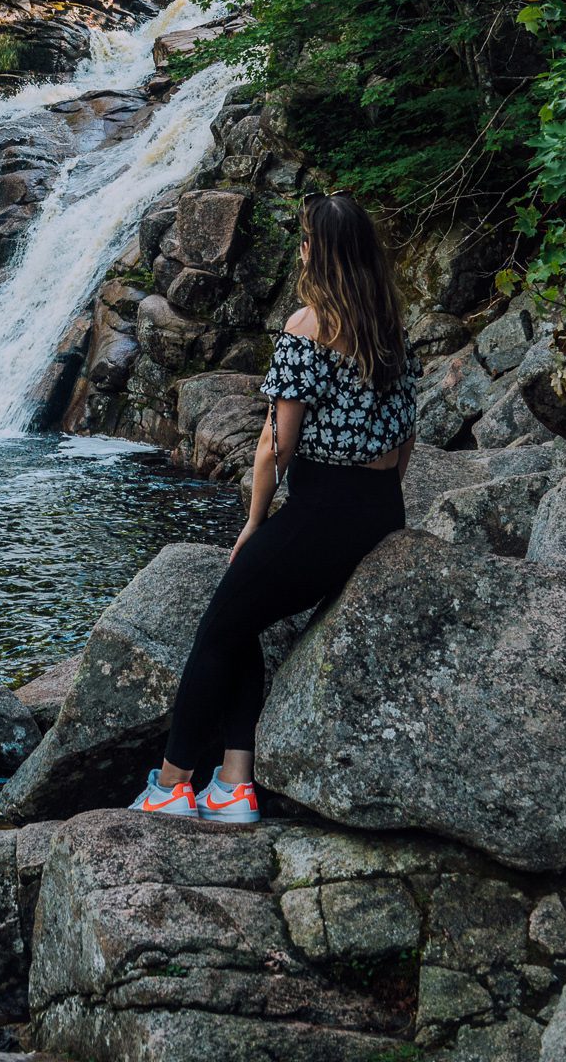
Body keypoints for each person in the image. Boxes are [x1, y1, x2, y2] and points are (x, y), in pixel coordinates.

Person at [130, 189, 420, 824]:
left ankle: (175, 782)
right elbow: (406, 436)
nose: (302, 248)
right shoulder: (391, 327)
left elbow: (273, 444)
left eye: (308, 240)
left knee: (217, 628)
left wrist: (256, 525)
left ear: (320, 252)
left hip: (320, 512)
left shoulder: (308, 326)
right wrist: (382, 501)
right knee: (242, 621)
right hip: (380, 511)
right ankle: (233, 782)